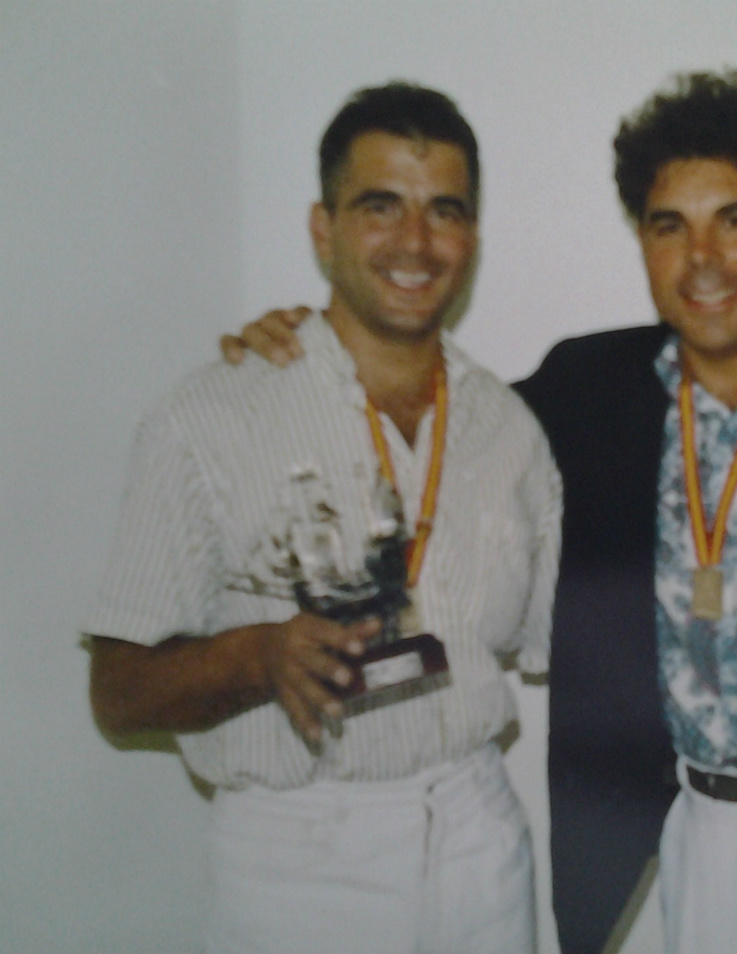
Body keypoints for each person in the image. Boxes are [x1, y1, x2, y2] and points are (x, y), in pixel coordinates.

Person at [226, 70, 737, 954]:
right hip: (696, 834)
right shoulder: (587, 390)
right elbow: (437, 419)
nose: (701, 258)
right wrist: (320, 344)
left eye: (734, 220)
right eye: (670, 226)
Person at [86, 81, 561, 954]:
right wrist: (257, 657)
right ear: (323, 229)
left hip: (481, 841)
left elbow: (564, 636)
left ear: (471, 237)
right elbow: (117, 693)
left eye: (445, 211)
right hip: (300, 857)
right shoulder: (209, 418)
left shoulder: (509, 430)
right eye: (380, 206)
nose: (415, 241)